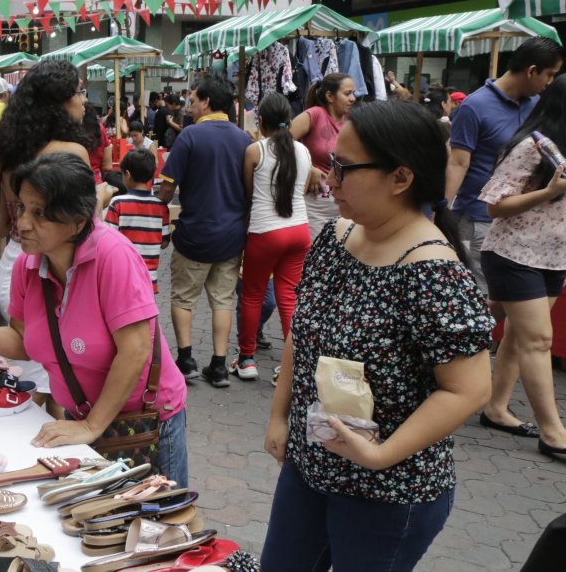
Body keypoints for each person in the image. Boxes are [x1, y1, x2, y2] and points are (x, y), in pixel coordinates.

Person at [262, 100, 493, 572]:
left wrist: (380, 455)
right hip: (311, 467)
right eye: (332, 163)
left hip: (387, 493)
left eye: (344, 168)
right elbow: (301, 333)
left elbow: (469, 389)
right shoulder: (336, 237)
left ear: (400, 178)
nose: (330, 179)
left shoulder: (433, 273)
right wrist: (279, 416)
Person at [0, 154, 189, 482]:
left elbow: (135, 350)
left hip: (144, 422)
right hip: (83, 420)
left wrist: (92, 425)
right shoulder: (27, 266)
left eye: (39, 213)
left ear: (78, 220)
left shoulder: (113, 255)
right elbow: (24, 342)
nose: (22, 223)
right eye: (21, 208)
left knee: (151, 514)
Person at [0, 60, 96, 393]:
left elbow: (0, 225)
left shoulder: (9, 155)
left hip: (16, 265)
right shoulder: (71, 153)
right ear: (58, 103)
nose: (84, 101)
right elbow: (87, 226)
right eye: (78, 92)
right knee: (63, 385)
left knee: (27, 385)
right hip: (60, 273)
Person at [477, 75, 566, 455]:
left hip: (553, 258)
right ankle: (553, 432)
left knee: (505, 330)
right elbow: (495, 206)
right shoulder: (533, 147)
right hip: (514, 254)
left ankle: (496, 408)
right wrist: (549, 192)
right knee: (538, 339)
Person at [445, 37, 563, 299]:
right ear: (532, 71)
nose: (550, 82)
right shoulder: (474, 106)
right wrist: (442, 210)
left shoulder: (536, 104)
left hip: (526, 222)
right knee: (484, 295)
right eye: (550, 74)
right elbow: (458, 162)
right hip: (481, 217)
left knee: (506, 302)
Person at [158, 78, 252, 387]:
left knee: (184, 298)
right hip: (232, 236)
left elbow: (167, 187)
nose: (190, 107)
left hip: (194, 234)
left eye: (193, 100)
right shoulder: (244, 139)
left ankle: (186, 361)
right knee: (223, 300)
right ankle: (220, 365)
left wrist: (158, 206)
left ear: (207, 101)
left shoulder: (190, 136)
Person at [237, 92, 312, 382]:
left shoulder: (255, 151)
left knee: (253, 295)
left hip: (265, 232)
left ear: (261, 121)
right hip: (299, 231)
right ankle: (292, 366)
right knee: (289, 297)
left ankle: (246, 359)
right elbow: (301, 191)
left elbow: (248, 193)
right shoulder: (303, 152)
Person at [291, 73, 356, 240]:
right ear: (329, 96)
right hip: (315, 206)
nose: (353, 98)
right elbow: (281, 143)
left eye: (353, 93)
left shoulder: (352, 122)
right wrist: (309, 167)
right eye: (347, 93)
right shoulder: (315, 115)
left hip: (346, 206)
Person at [103, 148, 171, 294]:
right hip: (149, 277)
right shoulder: (161, 207)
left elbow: (108, 240)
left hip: (122, 276)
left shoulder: (117, 203)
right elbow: (164, 243)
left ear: (127, 175)